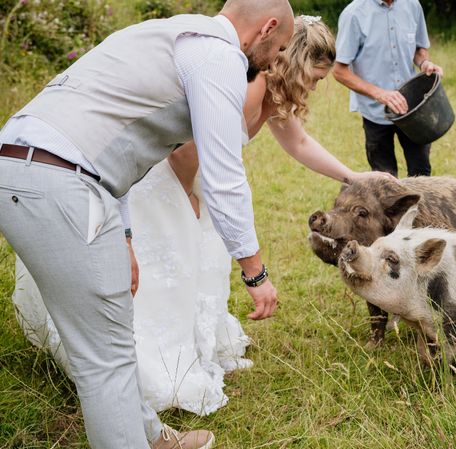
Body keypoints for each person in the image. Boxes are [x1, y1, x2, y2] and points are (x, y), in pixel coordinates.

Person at [12, 14, 394, 421]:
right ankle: (150, 366)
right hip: (172, 181)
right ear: (296, 62)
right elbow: (184, 150)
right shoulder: (246, 86)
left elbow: (298, 143)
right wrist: (189, 201)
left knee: (198, 268)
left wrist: (353, 177)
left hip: (202, 184)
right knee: (166, 265)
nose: (317, 86)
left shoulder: (273, 96)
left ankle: (186, 347)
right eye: (316, 77)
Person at [0, 1, 294, 449]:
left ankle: (150, 437)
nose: (275, 60)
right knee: (105, 359)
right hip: (59, 184)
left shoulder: (168, 34)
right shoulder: (218, 56)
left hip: (27, 167)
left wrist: (126, 237)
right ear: (267, 28)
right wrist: (254, 270)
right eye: (278, 49)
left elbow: (104, 147)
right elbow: (222, 173)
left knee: (106, 339)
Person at [333, 0, 444, 178]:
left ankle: (419, 207)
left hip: (412, 108)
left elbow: (419, 48)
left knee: (421, 173)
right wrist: (380, 94)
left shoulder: (413, 5)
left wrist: (425, 63)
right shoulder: (353, 14)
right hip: (375, 112)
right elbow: (339, 71)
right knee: (384, 178)